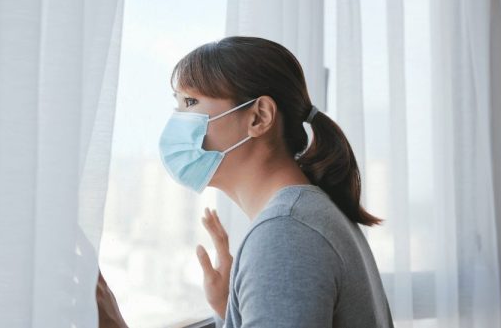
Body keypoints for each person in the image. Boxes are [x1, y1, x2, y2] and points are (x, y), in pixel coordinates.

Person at [98, 36, 394, 327]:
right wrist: (231, 310)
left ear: (259, 117)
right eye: (178, 105)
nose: (177, 120)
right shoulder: (306, 213)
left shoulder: (286, 234)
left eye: (190, 102)